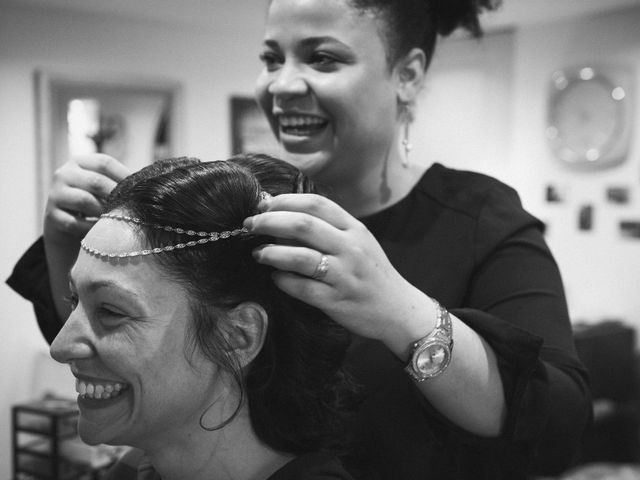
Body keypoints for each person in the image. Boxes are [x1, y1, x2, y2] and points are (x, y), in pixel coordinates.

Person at [7, 0, 592, 479]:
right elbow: (116, 349)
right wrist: (68, 245)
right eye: (271, 57)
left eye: (322, 58)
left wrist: (396, 309)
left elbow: (556, 426)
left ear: (407, 74)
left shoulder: (477, 219)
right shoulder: (242, 207)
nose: (283, 84)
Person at [48, 154, 357, 480]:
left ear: (237, 336)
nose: (59, 346)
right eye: (73, 298)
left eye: (111, 311)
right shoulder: (133, 470)